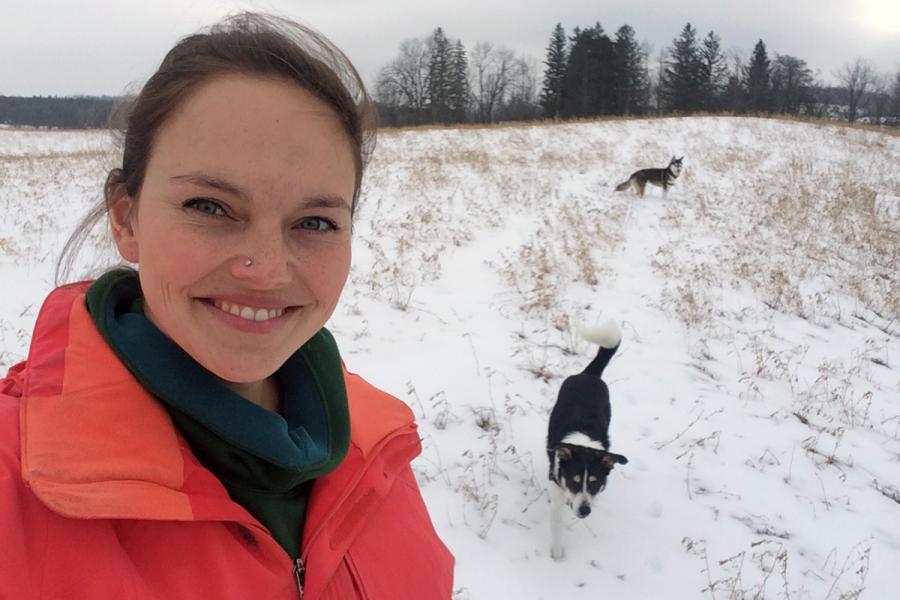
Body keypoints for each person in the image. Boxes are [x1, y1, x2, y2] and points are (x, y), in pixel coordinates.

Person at [0, 13, 453, 600]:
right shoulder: (17, 478)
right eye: (210, 207)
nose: (265, 270)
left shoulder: (373, 447)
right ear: (126, 217)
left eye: (314, 222)